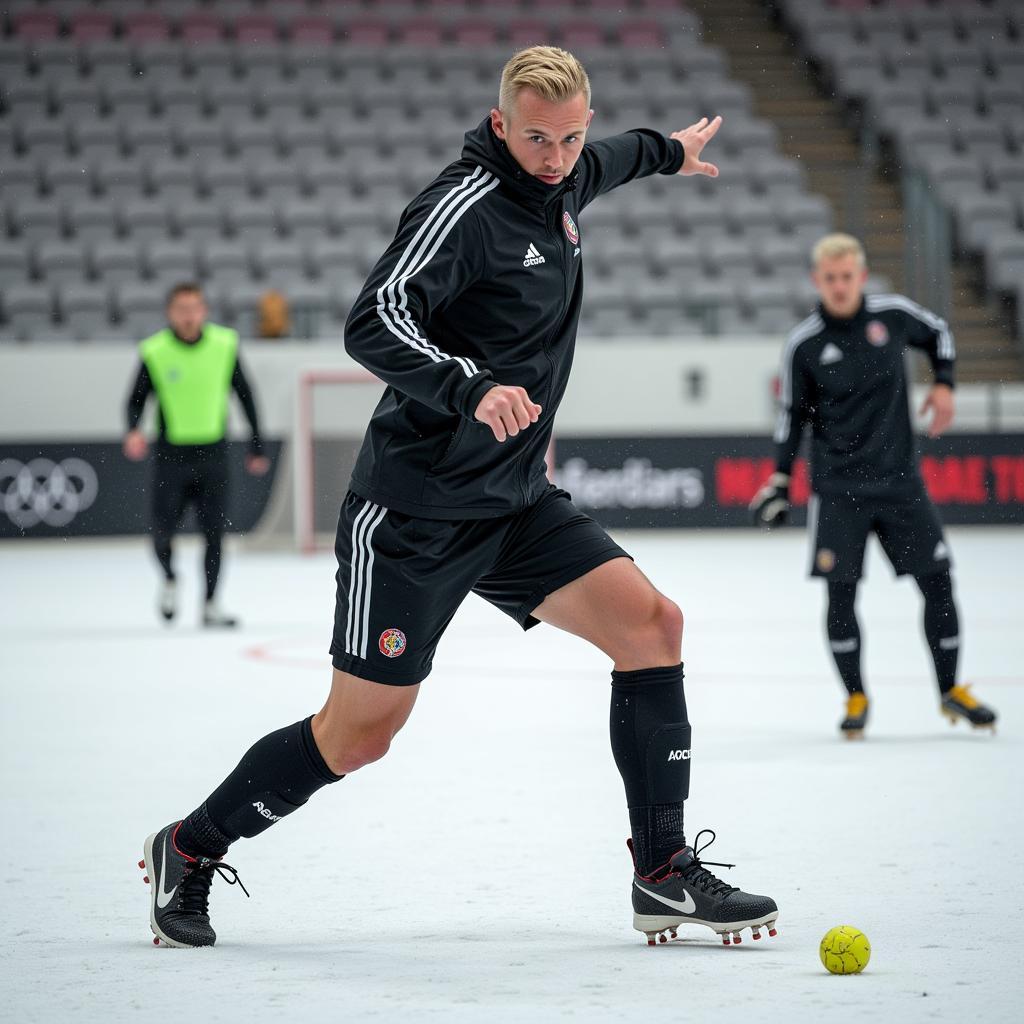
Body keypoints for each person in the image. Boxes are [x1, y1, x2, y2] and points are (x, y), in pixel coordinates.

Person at [140, 47, 779, 950]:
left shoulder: (566, 175)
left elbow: (617, 158)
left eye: (567, 138)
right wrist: (468, 384)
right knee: (360, 733)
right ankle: (190, 848)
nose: (554, 156)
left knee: (652, 627)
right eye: (535, 138)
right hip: (413, 514)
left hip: (513, 501)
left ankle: (664, 872)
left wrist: (670, 151)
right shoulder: (465, 206)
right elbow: (375, 317)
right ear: (498, 124)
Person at [750, 233, 997, 739]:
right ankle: (856, 697)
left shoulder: (894, 316)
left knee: (939, 586)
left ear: (861, 277)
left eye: (847, 277)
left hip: (901, 485)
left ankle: (951, 690)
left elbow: (940, 335)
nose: (840, 287)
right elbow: (791, 418)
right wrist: (780, 479)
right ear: (817, 282)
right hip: (838, 491)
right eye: (830, 279)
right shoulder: (804, 344)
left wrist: (946, 384)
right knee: (841, 597)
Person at [123, 282, 269, 628]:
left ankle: (211, 604)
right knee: (161, 532)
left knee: (215, 533)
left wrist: (257, 445)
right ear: (170, 313)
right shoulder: (155, 350)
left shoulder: (224, 345)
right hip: (170, 456)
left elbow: (245, 395)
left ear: (204, 311)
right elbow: (135, 399)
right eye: (181, 309)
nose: (188, 316)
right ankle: (170, 578)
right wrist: (133, 430)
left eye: (194, 308)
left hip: (214, 454)